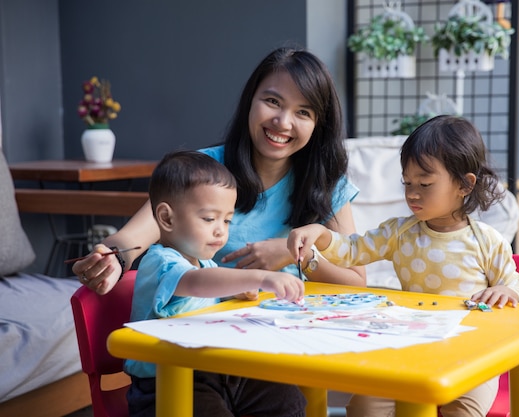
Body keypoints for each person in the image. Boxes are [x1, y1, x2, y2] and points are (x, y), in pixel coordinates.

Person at [73, 46, 366, 294]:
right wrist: (110, 258)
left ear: (318, 125)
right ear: (250, 100)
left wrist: (296, 255)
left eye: (303, 112)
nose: (283, 122)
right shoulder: (202, 170)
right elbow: (132, 238)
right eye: (273, 101)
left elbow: (356, 281)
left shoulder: (326, 182)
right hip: (209, 333)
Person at [287, 115, 519, 417]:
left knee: (463, 412)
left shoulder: (486, 240)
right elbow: (352, 250)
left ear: (465, 185)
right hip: (411, 349)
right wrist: (321, 235)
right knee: (364, 406)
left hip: (474, 354)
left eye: (425, 183)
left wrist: (506, 290)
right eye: (407, 182)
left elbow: (515, 285)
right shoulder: (399, 233)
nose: (412, 193)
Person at [125, 150, 306, 417]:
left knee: (287, 398)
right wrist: (262, 277)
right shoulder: (160, 262)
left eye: (227, 220)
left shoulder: (204, 263)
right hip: (166, 383)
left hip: (214, 370)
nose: (221, 230)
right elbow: (197, 284)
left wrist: (234, 293)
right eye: (209, 219)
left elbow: (206, 294)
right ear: (167, 218)